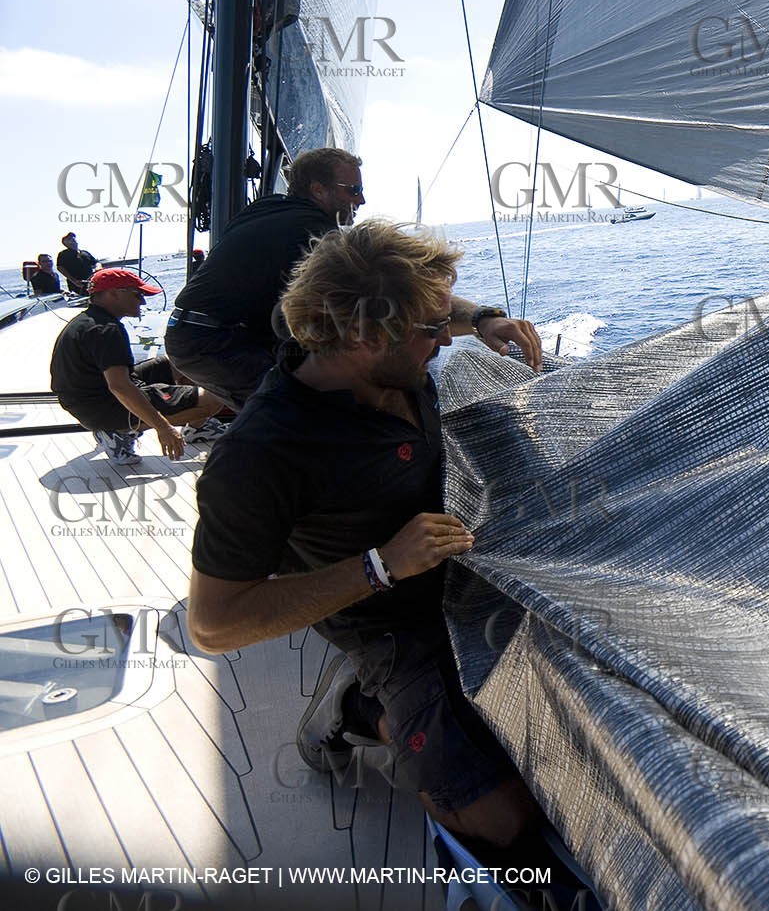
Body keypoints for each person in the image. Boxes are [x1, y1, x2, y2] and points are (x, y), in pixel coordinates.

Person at [185, 221, 584, 894]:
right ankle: (356, 705)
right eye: (432, 330)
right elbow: (214, 623)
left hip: (458, 570)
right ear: (366, 336)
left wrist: (484, 317)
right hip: (387, 619)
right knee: (501, 821)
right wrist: (382, 564)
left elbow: (433, 313)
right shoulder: (259, 455)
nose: (445, 340)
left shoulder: (373, 344)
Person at [167, 146, 541, 410]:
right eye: (354, 190)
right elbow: (405, 295)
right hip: (214, 341)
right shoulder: (312, 231)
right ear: (318, 190)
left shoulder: (266, 210)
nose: (360, 201)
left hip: (193, 333)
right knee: (306, 411)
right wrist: (481, 318)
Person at [49, 268, 227, 466]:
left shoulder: (85, 322)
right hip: (103, 407)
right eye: (137, 295)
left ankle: (197, 427)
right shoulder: (105, 330)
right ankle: (119, 431)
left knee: (181, 364)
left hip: (86, 401)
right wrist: (163, 428)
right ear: (114, 293)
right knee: (214, 399)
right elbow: (119, 386)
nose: (142, 302)